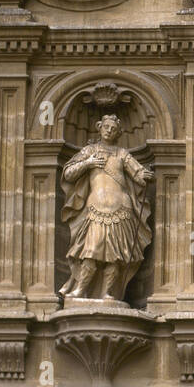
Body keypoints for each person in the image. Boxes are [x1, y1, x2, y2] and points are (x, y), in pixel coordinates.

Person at [59, 113, 153, 301]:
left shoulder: (122, 154)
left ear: (118, 133)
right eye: (106, 127)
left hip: (122, 210)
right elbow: (68, 174)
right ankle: (80, 290)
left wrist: (145, 176)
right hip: (96, 209)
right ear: (99, 127)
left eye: (113, 129)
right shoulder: (89, 151)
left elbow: (138, 174)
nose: (109, 131)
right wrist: (88, 163)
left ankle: (108, 292)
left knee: (116, 256)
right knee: (91, 252)